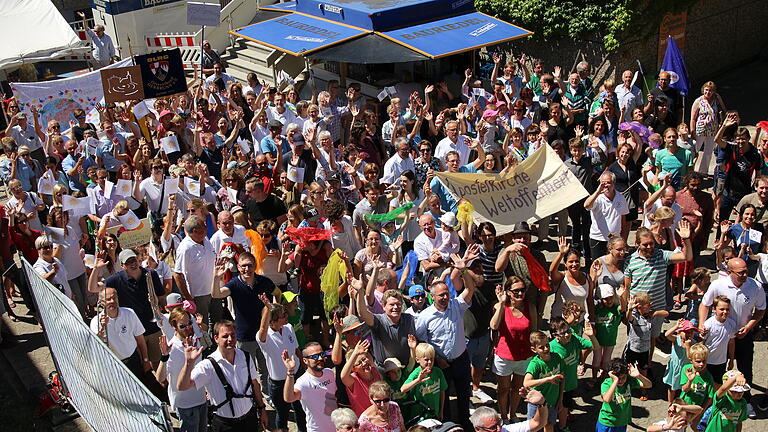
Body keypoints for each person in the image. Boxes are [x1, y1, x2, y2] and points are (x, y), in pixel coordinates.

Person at [414, 249, 478, 429]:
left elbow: (469, 289)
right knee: (445, 396)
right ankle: (448, 425)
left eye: (446, 293)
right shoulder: (425, 317)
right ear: (431, 296)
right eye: (440, 295)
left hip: (461, 359)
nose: (444, 297)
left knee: (464, 394)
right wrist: (438, 359)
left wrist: (463, 270)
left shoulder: (456, 306)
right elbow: (422, 341)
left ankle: (465, 422)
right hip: (441, 364)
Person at [177, 320, 269, 431]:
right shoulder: (208, 365)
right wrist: (188, 363)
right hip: (225, 425)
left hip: (249, 419)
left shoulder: (245, 357)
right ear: (216, 338)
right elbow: (182, 386)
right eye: (225, 336)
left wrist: (262, 409)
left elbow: (254, 384)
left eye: (233, 335)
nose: (230, 339)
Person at [89, 249, 166, 367]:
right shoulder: (115, 280)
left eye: (134, 260)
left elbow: (161, 296)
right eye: (128, 262)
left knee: (158, 363)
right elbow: (93, 288)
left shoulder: (151, 274)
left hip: (153, 327)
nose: (133, 264)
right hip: (132, 332)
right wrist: (96, 269)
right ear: (122, 266)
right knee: (142, 365)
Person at [699, 257, 765, 394]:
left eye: (746, 271)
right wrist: (701, 324)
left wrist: (749, 326)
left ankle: (745, 400)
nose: (745, 275)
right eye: (740, 273)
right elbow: (705, 304)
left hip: (743, 335)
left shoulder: (755, 286)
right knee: (716, 369)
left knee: (745, 368)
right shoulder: (718, 285)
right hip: (720, 335)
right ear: (730, 272)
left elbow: (761, 309)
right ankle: (716, 399)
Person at [256, 298, 307, 432]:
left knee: (301, 410)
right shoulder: (265, 337)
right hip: (279, 383)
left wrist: (303, 365)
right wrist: (267, 308)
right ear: (272, 322)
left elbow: (296, 349)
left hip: (297, 376)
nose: (286, 317)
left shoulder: (289, 328)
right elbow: (262, 328)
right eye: (282, 316)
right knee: (282, 414)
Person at [154, 309, 208, 432]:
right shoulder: (171, 347)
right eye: (182, 326)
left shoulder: (194, 341)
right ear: (174, 326)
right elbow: (160, 378)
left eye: (189, 323)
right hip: (185, 405)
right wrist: (164, 357)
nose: (188, 327)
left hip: (201, 399)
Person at [90, 287, 149, 378]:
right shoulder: (95, 321)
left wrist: (145, 360)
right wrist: (102, 328)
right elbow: (96, 344)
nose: (112, 301)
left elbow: (140, 339)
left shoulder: (129, 313)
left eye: (114, 298)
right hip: (114, 365)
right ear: (101, 303)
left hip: (134, 360)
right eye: (108, 299)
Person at [282, 342, 339, 432]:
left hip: (337, 426)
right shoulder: (303, 382)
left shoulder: (329, 373)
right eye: (315, 357)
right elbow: (289, 398)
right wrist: (290, 371)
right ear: (305, 361)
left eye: (322, 354)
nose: (320, 358)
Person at [596, 358, 652, 432]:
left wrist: (639, 376)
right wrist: (615, 381)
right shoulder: (607, 384)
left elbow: (648, 385)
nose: (621, 380)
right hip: (607, 423)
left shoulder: (629, 381)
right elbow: (606, 399)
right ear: (612, 375)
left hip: (622, 422)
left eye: (623, 377)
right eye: (618, 378)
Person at [584, 171, 629, 259]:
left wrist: (623, 238)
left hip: (614, 240)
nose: (606, 185)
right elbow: (586, 205)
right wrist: (598, 191)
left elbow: (623, 218)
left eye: (608, 182)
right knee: (598, 267)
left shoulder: (621, 197)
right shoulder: (597, 198)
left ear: (614, 183)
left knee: (614, 266)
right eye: (603, 183)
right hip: (598, 239)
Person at [401, 342, 447, 421]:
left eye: (432, 359)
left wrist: (441, 411)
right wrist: (418, 380)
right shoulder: (416, 373)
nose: (429, 362)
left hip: (434, 413)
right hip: (420, 416)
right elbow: (403, 389)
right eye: (426, 359)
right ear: (418, 360)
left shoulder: (438, 372)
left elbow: (442, 391)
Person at [690, 81, 725, 174]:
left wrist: (719, 97)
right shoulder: (698, 101)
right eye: (706, 90)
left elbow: (723, 110)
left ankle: (703, 172)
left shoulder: (716, 100)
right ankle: (690, 170)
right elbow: (693, 118)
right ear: (703, 90)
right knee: (695, 149)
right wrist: (692, 131)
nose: (708, 92)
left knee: (708, 152)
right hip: (700, 130)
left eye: (710, 90)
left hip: (713, 130)